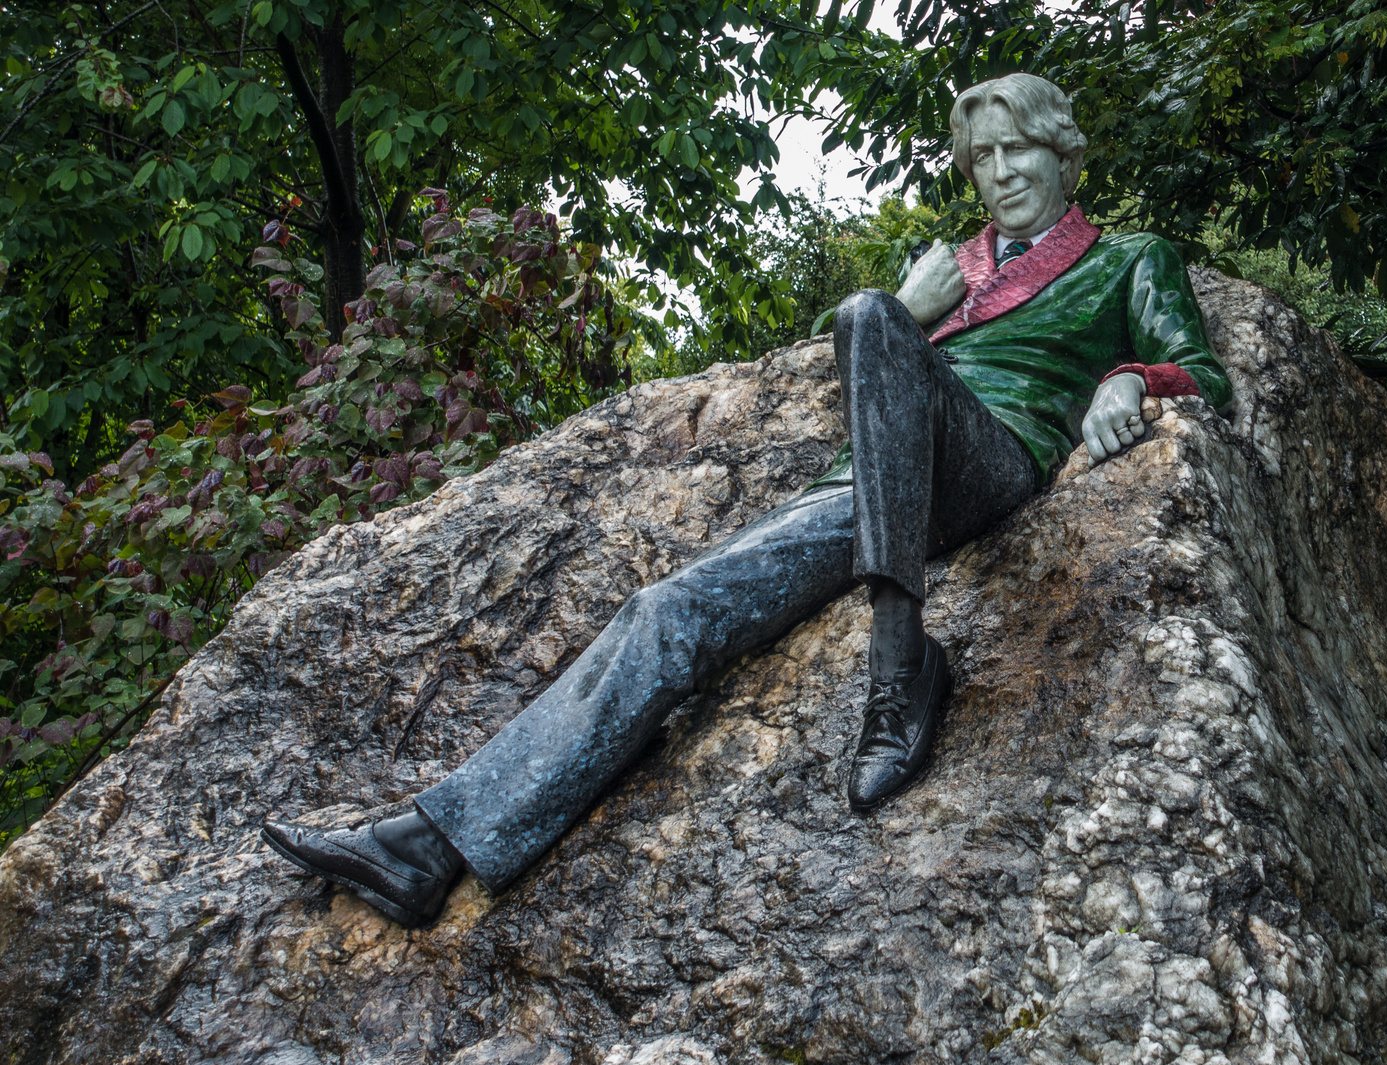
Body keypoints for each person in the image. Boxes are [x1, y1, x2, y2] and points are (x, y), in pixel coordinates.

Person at [262, 73, 1232, 928]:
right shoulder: (946, 273)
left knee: (868, 315)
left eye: (1021, 148)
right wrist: (917, 305)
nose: (1004, 170)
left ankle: (901, 670)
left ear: (1065, 152)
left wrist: (1135, 378)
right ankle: (429, 846)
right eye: (984, 157)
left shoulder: (1127, 257)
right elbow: (835, 356)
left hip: (990, 462)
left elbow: (1205, 370)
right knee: (669, 609)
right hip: (862, 490)